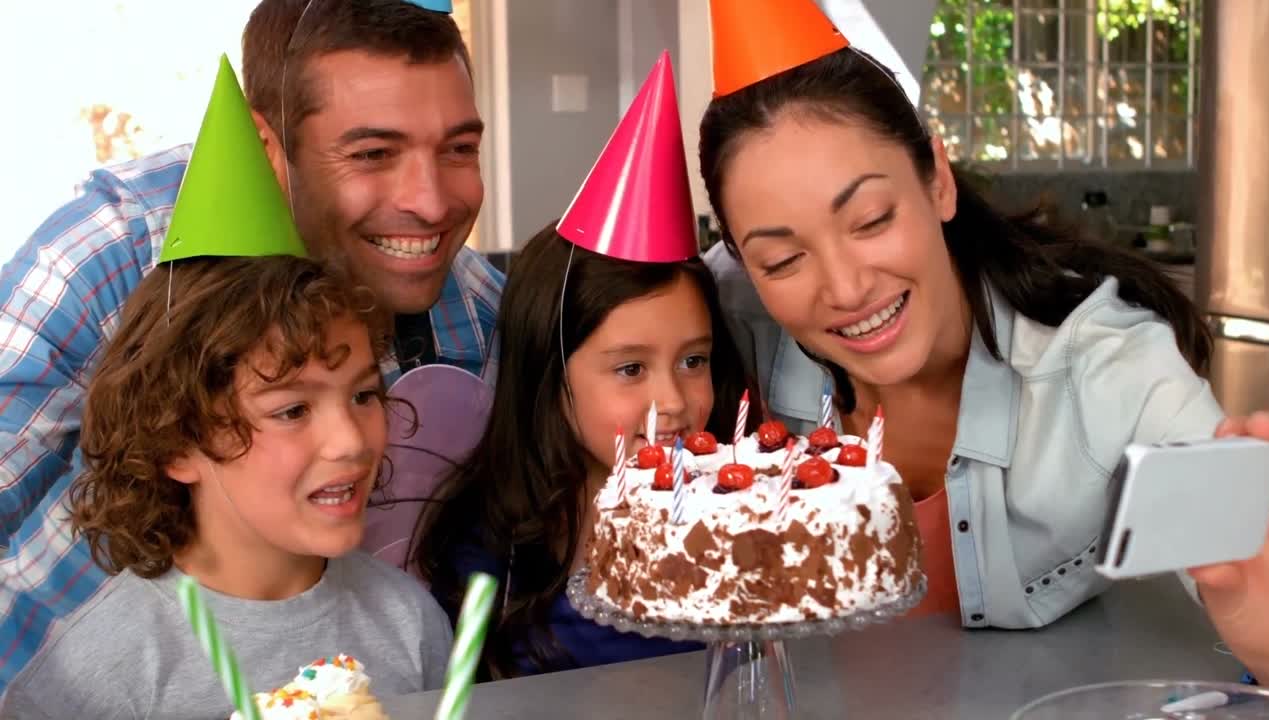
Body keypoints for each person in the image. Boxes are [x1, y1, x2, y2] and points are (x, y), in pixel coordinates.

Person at [698, 0, 1269, 679]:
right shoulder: (728, 316)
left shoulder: (1110, 371)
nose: (847, 288)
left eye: (870, 219)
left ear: (937, 180)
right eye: (783, 261)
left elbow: (1248, 565)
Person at [0, 0, 500, 692]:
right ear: (270, 149)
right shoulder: (108, 253)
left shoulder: (476, 310)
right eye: (373, 154)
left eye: (458, 149)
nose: (432, 202)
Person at [414, 55, 760, 678]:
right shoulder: (492, 553)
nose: (674, 401)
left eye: (693, 359)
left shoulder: (747, 515)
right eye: (630, 369)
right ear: (551, 376)